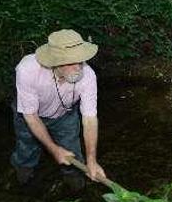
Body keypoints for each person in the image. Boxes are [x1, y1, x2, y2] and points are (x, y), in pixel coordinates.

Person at [10, 29, 107, 188]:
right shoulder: (27, 70)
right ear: (55, 62)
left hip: (64, 116)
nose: (78, 68)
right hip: (30, 115)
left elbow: (89, 120)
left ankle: (74, 179)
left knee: (72, 151)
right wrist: (53, 149)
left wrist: (92, 160)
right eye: (70, 62)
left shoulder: (88, 76)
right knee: (26, 147)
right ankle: (24, 172)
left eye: (79, 60)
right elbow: (31, 116)